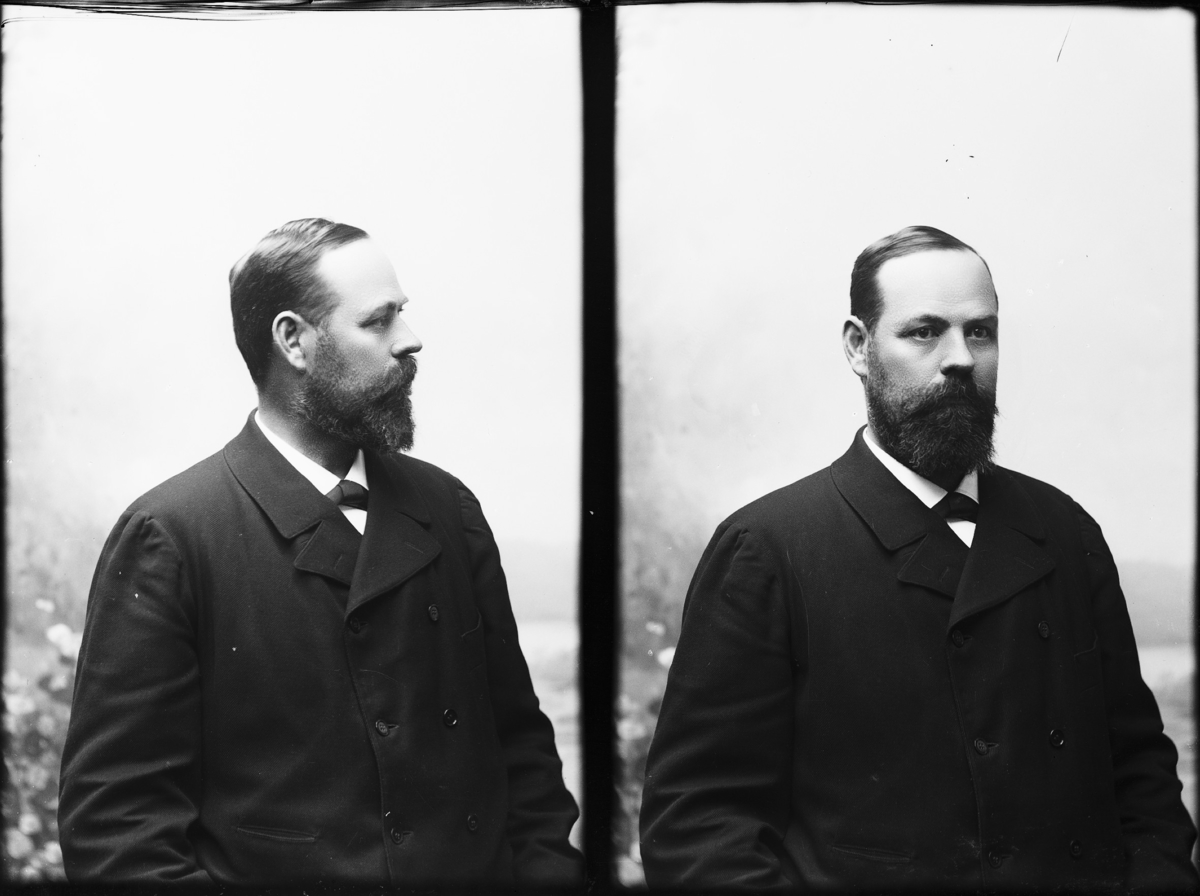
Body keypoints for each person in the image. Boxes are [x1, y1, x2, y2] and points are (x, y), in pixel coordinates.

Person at [639, 225, 1198, 891]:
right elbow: (700, 827)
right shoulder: (767, 548)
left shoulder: (1064, 530)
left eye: (980, 332)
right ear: (858, 346)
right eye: (925, 332)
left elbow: (1141, 776)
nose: (960, 358)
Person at [59, 218, 581, 886]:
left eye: (402, 314)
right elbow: (117, 833)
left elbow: (523, 754)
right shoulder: (172, 535)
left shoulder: (449, 509)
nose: (410, 339)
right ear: (293, 341)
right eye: (379, 320)